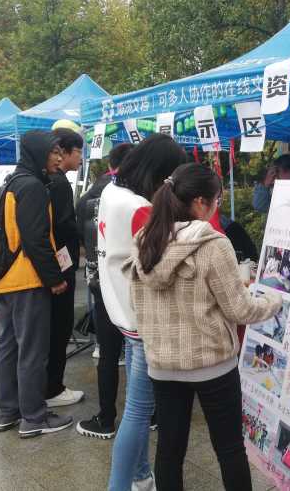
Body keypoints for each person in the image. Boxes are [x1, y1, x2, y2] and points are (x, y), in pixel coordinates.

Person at [124, 162, 282, 491]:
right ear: (200, 202)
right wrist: (274, 301)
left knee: (169, 450)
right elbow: (240, 309)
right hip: (212, 365)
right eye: (217, 200)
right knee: (229, 449)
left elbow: (136, 304)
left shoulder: (144, 240)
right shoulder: (213, 244)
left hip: (163, 365)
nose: (216, 206)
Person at [98, 134, 188, 491]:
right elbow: (161, 265)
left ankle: (139, 476)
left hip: (120, 308)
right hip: (143, 317)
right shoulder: (139, 208)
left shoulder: (111, 191)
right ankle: (119, 485)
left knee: (134, 407)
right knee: (138, 411)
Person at [0, 131, 72, 438]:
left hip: (5, 280)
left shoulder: (12, 183)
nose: (58, 158)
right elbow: (36, 239)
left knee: (8, 348)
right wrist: (54, 279)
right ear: (38, 153)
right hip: (27, 281)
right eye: (53, 152)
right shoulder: (33, 187)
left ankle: (8, 412)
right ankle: (34, 417)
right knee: (32, 352)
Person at [74, 142, 134, 439]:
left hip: (101, 285)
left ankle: (106, 418)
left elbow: (81, 241)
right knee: (138, 351)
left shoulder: (88, 198)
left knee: (108, 354)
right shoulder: (135, 197)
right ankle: (148, 413)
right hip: (132, 286)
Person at [45, 124, 85, 408]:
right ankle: (53, 389)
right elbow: (63, 226)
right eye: (78, 152)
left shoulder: (44, 179)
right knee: (60, 325)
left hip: (51, 264)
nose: (81, 158)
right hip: (61, 265)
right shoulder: (58, 183)